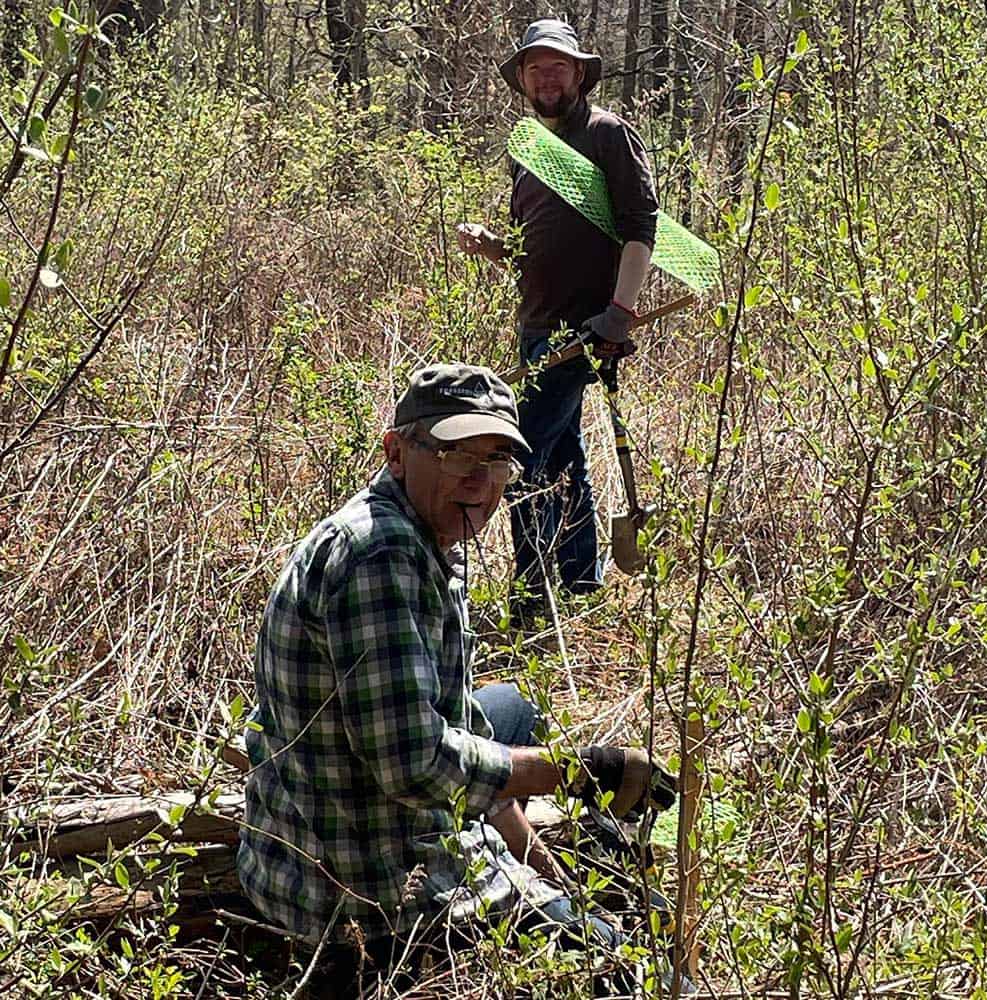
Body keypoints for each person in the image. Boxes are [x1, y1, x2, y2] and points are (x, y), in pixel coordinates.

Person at [236, 362, 675, 991]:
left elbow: (455, 718)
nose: (479, 479)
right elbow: (415, 765)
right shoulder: (378, 557)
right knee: (614, 967)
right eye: (453, 453)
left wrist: (533, 860)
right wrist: (583, 770)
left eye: (497, 460)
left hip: (326, 812)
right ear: (396, 451)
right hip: (364, 894)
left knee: (511, 710)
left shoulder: (423, 535)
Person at [458, 19, 659, 626]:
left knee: (523, 455)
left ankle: (531, 595)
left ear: (579, 73)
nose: (546, 78)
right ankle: (579, 582)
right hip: (537, 325)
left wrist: (618, 315)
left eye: (558, 67)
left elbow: (639, 228)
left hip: (587, 328)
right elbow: (535, 248)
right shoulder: (527, 149)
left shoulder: (606, 134)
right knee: (565, 454)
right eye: (535, 68)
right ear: (522, 79)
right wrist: (493, 245)